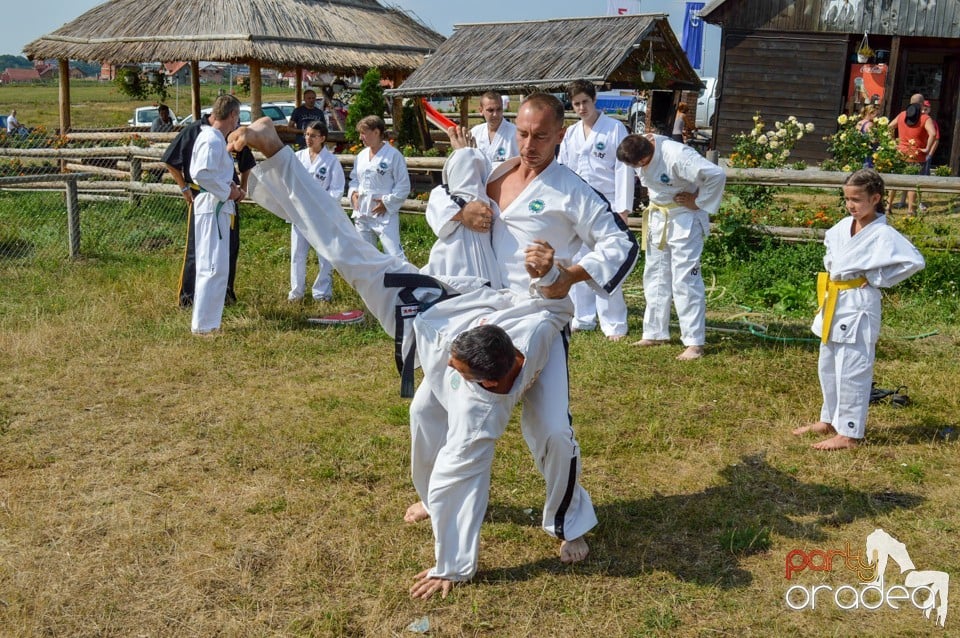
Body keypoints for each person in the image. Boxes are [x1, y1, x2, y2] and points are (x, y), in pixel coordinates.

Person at [227, 116, 573, 599]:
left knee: (495, 426)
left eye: (458, 372)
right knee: (344, 246)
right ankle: (277, 154)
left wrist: (449, 567)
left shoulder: (489, 400)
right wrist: (550, 270)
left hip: (448, 318)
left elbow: (464, 476)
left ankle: (566, 520)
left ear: (489, 384)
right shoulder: (515, 323)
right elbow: (549, 300)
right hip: (431, 305)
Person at [422, 93, 639, 574]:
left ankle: (569, 522)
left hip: (539, 317)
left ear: (561, 134)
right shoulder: (495, 174)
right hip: (480, 313)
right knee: (429, 407)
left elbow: (621, 241)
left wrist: (568, 274)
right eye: (522, 133)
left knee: (555, 434)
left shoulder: (572, 190)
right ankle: (431, 495)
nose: (529, 144)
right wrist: (460, 213)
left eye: (541, 135)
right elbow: (443, 193)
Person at [792, 169, 924, 450]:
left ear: (875, 198)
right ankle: (829, 418)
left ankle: (849, 432)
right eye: (847, 199)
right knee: (828, 364)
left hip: (860, 305)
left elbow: (913, 261)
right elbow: (830, 250)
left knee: (853, 368)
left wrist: (877, 278)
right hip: (835, 300)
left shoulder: (883, 234)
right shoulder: (841, 227)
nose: (851, 205)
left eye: (857, 199)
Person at [617, 133, 726, 360]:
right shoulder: (640, 145)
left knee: (685, 279)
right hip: (659, 216)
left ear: (646, 156)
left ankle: (694, 342)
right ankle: (655, 332)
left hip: (685, 217)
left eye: (637, 165)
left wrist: (698, 201)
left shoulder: (677, 155)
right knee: (655, 275)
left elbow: (716, 174)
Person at [558, 80, 635, 341]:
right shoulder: (570, 133)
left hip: (608, 202)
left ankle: (614, 323)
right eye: (576, 103)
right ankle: (583, 316)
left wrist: (623, 208)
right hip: (578, 203)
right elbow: (564, 169)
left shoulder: (614, 129)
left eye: (585, 102)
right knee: (578, 261)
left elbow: (625, 169)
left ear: (595, 99)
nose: (581, 108)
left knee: (607, 262)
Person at [162, 110, 255, 308]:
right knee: (198, 250)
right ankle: (188, 298)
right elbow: (171, 159)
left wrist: (243, 188)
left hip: (228, 197)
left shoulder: (232, 131)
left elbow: (246, 161)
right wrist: (184, 188)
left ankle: (224, 294)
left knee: (229, 247)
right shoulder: (197, 131)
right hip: (202, 196)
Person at [189, 95, 246, 335]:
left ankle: (209, 322)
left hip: (217, 205)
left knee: (217, 266)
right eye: (237, 117)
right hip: (213, 205)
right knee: (211, 265)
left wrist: (230, 190)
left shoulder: (215, 139)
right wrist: (228, 192)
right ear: (232, 115)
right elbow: (201, 174)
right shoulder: (211, 139)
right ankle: (204, 326)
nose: (237, 123)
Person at [289, 120, 345, 302]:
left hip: (321, 215)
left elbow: (337, 189)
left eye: (313, 135)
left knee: (324, 254)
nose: (308, 138)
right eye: (306, 134)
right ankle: (296, 292)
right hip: (300, 212)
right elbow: (290, 182)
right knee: (297, 254)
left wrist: (322, 203)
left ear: (322, 138)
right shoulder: (298, 157)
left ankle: (322, 292)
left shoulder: (331, 161)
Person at [347, 115, 410, 260]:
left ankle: (407, 282)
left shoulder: (393, 155)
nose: (360, 138)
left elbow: (403, 185)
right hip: (362, 212)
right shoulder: (361, 156)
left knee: (394, 254)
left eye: (363, 133)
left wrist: (387, 203)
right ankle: (374, 283)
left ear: (376, 132)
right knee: (366, 255)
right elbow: (355, 179)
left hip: (383, 213)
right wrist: (353, 194)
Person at [887, 94, 937, 215]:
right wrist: (927, 148)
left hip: (900, 153)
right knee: (913, 183)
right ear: (922, 104)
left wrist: (893, 143)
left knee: (895, 181)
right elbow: (933, 134)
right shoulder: (925, 118)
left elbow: (889, 127)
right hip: (916, 155)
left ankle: (887, 207)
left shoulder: (902, 115)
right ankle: (910, 210)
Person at [469, 91, 518, 167]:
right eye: (490, 110)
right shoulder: (475, 133)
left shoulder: (515, 133)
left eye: (499, 109)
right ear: (481, 110)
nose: (495, 114)